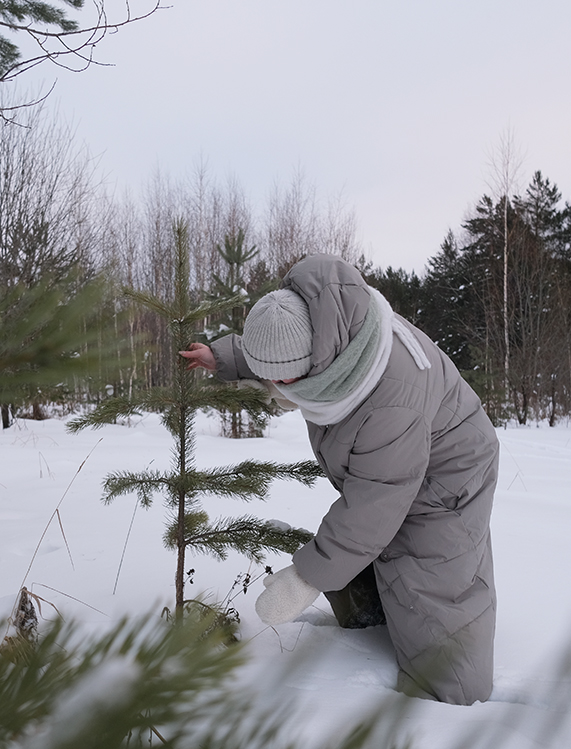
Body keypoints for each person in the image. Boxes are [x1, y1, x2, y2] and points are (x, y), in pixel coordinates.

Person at [179, 254, 499, 705]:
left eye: (283, 380)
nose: (276, 389)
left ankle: (445, 714)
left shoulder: (391, 401)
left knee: (434, 592)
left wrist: (305, 579)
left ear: (317, 362)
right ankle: (375, 613)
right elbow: (278, 352)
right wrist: (226, 356)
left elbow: (372, 507)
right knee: (371, 554)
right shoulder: (325, 326)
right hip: (392, 462)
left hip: (447, 474)